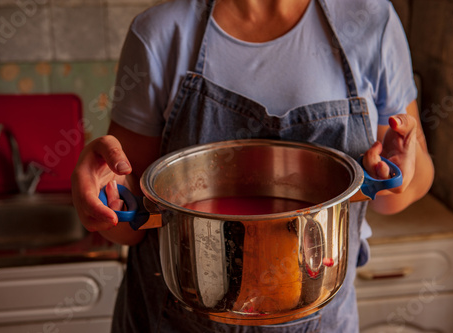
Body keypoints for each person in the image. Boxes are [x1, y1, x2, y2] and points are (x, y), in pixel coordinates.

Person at [71, 0, 434, 331]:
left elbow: (399, 189)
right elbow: (131, 215)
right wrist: (98, 202)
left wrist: (401, 173)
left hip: (322, 316)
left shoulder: (370, 20)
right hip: (175, 320)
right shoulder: (162, 32)